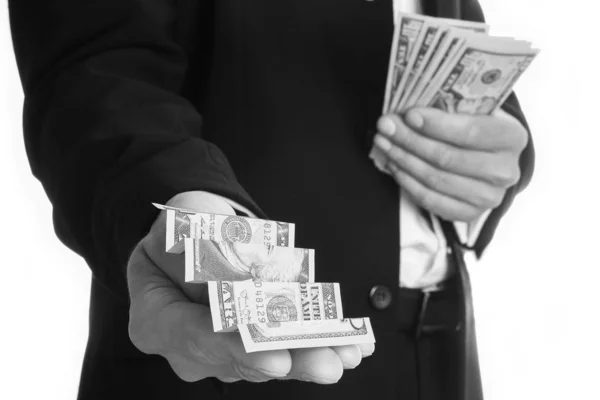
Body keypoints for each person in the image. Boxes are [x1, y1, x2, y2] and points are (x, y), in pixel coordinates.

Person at [8, 0, 534, 399]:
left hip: (442, 351)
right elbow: (95, 70)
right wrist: (178, 207)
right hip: (225, 359)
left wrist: (502, 151)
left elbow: (443, 39)